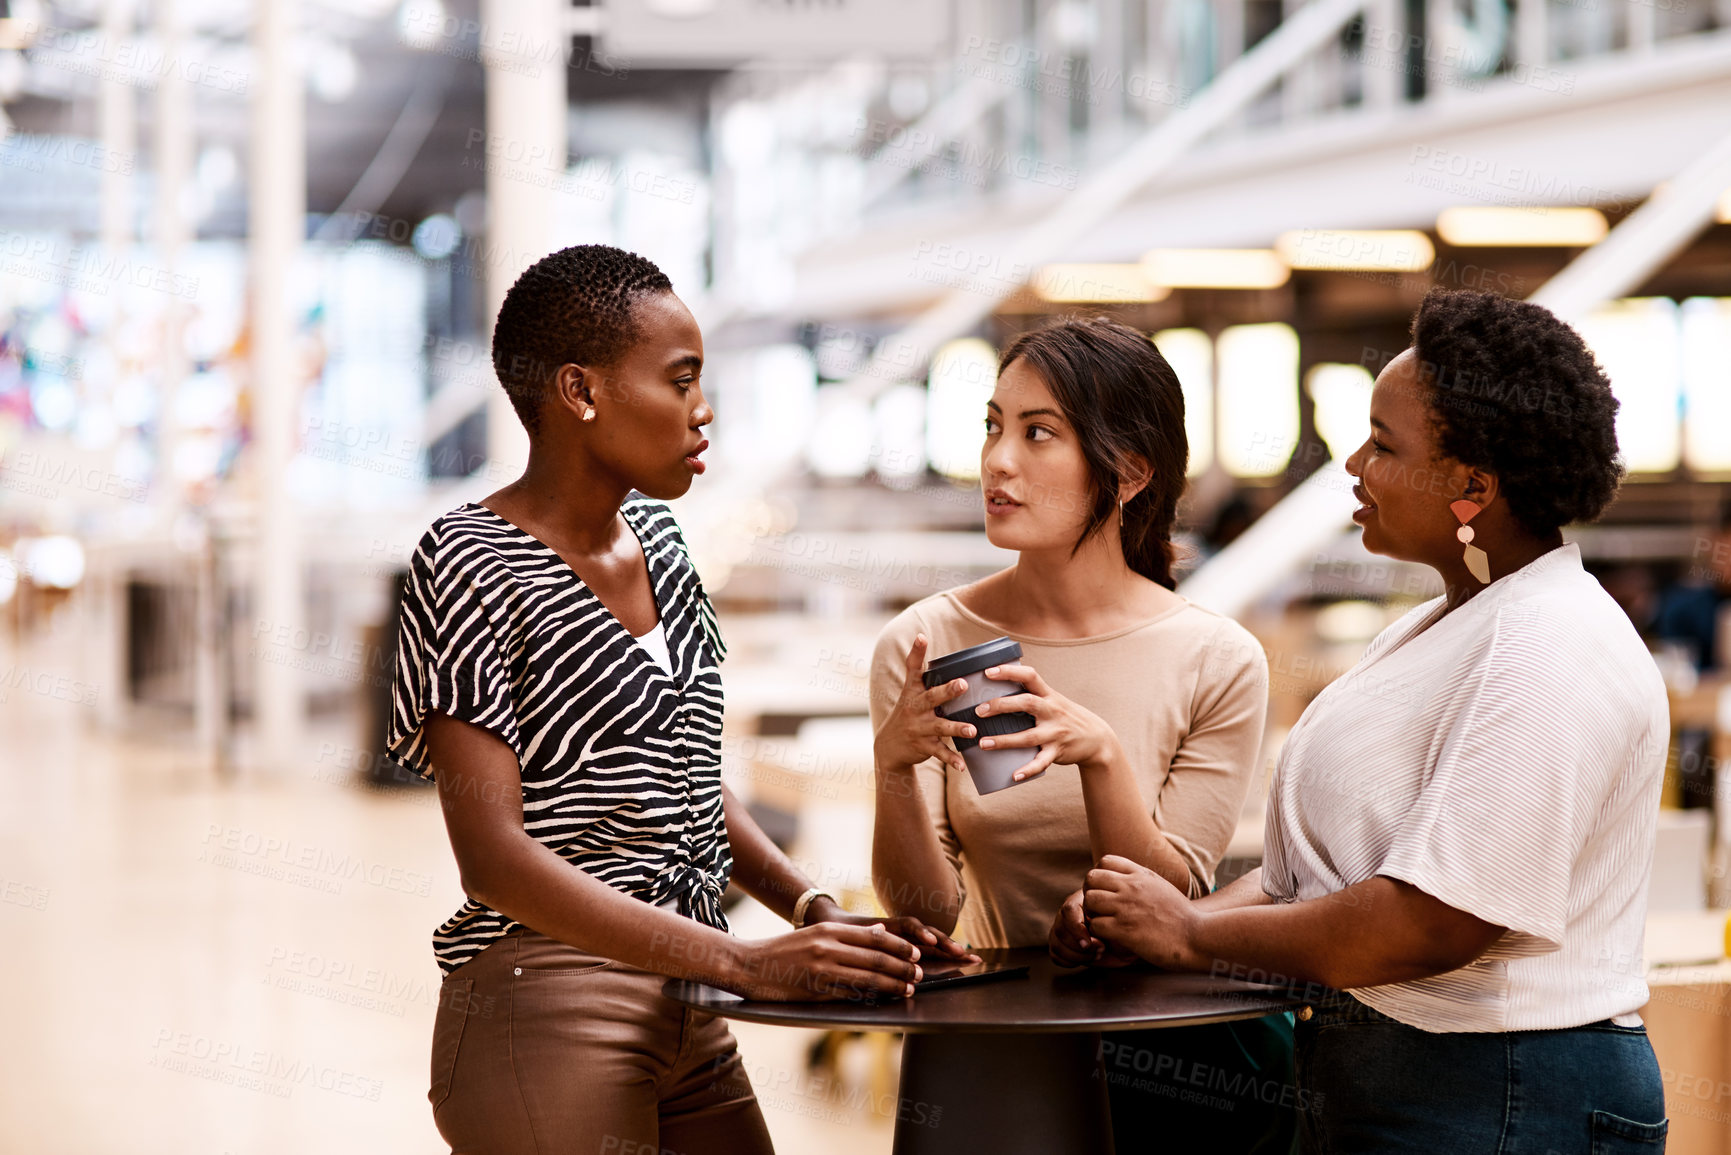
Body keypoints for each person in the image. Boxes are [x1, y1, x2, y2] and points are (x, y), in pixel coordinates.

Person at [386, 244, 969, 1155]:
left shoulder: (661, 539)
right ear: (580, 391)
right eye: (681, 380)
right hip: (545, 1000)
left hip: (690, 1003)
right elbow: (491, 859)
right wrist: (746, 960)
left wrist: (814, 912)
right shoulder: (467, 558)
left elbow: (692, 784)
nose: (704, 412)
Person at [1076, 288, 1671, 1151]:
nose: (1352, 464)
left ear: (1472, 483)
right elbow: (1311, 884)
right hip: (1408, 1078)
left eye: (1383, 445)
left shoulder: (1549, 644)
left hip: (1499, 1090)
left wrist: (1192, 931)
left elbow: (1432, 919)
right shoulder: (1440, 625)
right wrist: (1154, 922)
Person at [869, 316, 1294, 1152]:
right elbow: (930, 915)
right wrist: (891, 767)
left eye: (1038, 434)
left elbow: (1170, 904)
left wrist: (1100, 755)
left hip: (1175, 1058)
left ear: (1129, 471)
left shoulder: (1214, 656)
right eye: (993, 425)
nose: (997, 460)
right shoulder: (933, 642)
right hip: (993, 1050)